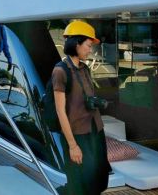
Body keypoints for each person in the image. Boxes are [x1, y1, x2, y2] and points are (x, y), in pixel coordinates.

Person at [52, 20, 110, 195]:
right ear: (76, 43)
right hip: (77, 135)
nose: (90, 50)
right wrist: (72, 145)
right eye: (88, 45)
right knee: (81, 181)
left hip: (95, 130)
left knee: (100, 178)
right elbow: (60, 111)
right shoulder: (60, 71)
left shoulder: (85, 69)